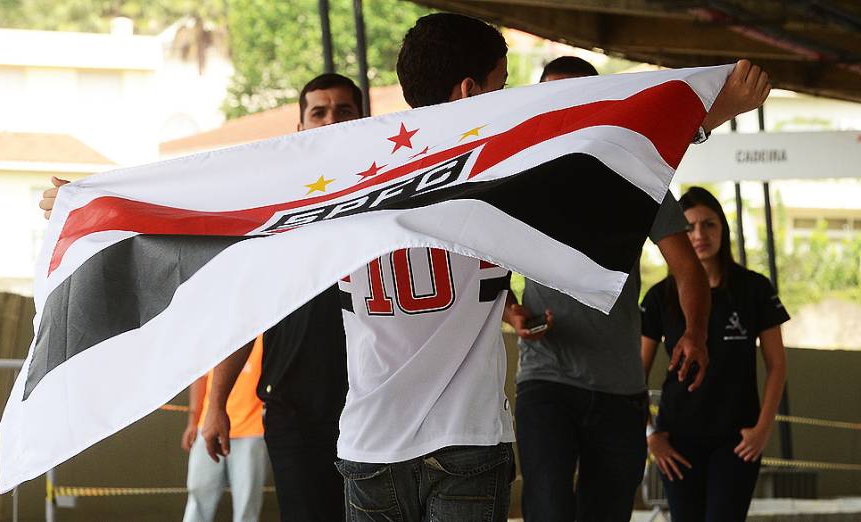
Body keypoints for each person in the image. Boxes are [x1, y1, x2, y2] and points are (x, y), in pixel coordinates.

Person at [205, 14, 771, 522]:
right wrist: (706, 113)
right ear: (472, 91)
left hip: (370, 443)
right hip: (468, 440)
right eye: (502, 88)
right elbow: (602, 168)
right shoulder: (501, 174)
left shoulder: (346, 181)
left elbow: (247, 281)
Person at [39, 73, 363, 522]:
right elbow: (244, 309)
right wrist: (89, 205)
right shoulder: (274, 204)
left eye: (343, 111)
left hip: (374, 405)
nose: (331, 121)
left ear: (364, 119)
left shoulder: (398, 197)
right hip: (295, 412)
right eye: (319, 112)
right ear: (301, 127)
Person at [503, 55, 712, 522]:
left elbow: (688, 268)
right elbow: (484, 264)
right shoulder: (521, 173)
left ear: (602, 103)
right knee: (549, 508)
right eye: (556, 97)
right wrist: (512, 311)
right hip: (546, 380)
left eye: (579, 96)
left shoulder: (637, 175)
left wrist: (695, 333)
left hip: (621, 388)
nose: (568, 107)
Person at [641, 187, 788, 522]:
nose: (699, 234)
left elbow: (777, 366)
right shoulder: (659, 296)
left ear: (723, 229)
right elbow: (637, 372)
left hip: (737, 438)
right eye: (689, 227)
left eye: (709, 224)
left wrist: (764, 429)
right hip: (677, 440)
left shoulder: (754, 289)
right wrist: (651, 436)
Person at [181, 337, 269, 522]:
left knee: (247, 508)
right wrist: (193, 421)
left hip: (253, 430)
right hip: (208, 427)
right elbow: (201, 375)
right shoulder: (219, 325)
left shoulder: (267, 322)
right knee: (198, 497)